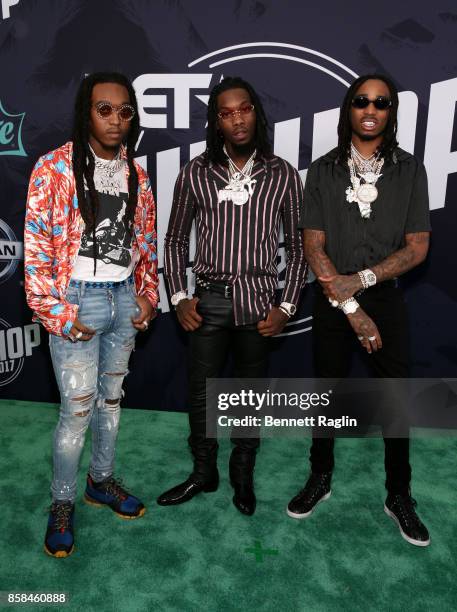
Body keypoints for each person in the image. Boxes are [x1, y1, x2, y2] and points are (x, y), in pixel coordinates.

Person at [287, 74, 431, 546]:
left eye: (381, 102)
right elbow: (313, 247)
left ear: (391, 112)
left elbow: (417, 248)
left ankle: (399, 494)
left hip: (386, 299)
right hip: (333, 301)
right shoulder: (324, 170)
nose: (371, 109)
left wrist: (366, 281)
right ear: (349, 109)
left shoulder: (410, 170)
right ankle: (320, 478)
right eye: (361, 101)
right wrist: (350, 304)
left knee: (395, 399)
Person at [24, 72, 159, 557]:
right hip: (77, 301)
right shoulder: (53, 168)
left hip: (123, 299)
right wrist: (57, 312)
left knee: (112, 403)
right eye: (105, 109)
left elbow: (145, 242)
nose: (116, 120)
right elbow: (37, 249)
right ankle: (62, 503)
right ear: (87, 112)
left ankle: (100, 482)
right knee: (76, 413)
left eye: (125, 111)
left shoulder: (136, 174)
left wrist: (147, 293)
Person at [159, 76, 307, 515]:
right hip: (210, 300)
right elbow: (173, 241)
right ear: (216, 122)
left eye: (244, 109)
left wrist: (286, 306)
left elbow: (298, 250)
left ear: (255, 113)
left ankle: (242, 474)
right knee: (201, 393)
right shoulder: (196, 172)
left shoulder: (281, 173)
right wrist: (180, 296)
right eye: (226, 113)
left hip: (260, 302)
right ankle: (203, 473)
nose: (237, 119)